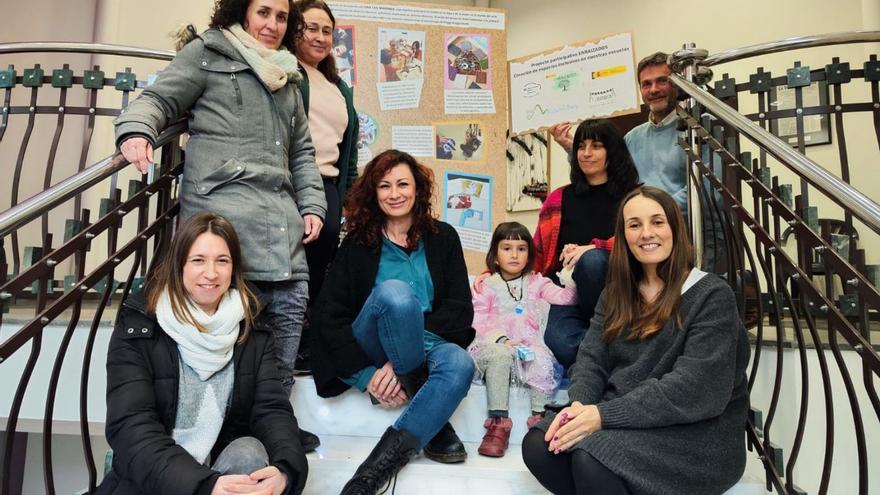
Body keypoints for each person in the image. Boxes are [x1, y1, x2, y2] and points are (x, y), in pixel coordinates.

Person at [114, 0, 325, 450]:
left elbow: (303, 153)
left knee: (281, 350)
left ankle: (270, 430)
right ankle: (222, 445)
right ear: (241, 13)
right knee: (220, 358)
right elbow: (157, 98)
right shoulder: (208, 53)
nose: (272, 24)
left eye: (282, 17)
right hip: (222, 238)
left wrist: (312, 205)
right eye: (263, 12)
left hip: (282, 238)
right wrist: (137, 131)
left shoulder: (288, 76)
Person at [522, 187, 750, 495]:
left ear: (674, 228)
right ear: (623, 235)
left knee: (594, 456)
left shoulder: (711, 295)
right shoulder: (615, 294)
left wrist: (602, 416)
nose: (646, 233)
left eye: (657, 222)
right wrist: (579, 407)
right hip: (627, 419)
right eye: (634, 225)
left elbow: (693, 389)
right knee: (541, 444)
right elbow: (591, 360)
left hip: (695, 436)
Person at [99, 213, 308, 495]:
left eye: (222, 261)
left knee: (249, 454)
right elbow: (131, 427)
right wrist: (203, 486)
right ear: (179, 265)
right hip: (153, 483)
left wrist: (286, 471)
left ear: (233, 268)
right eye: (198, 260)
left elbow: (272, 410)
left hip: (220, 476)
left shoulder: (252, 329)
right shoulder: (140, 327)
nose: (211, 274)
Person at [310, 149, 476, 494]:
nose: (394, 193)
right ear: (374, 193)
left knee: (460, 362)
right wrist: (368, 374)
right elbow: (329, 315)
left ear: (418, 189)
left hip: (428, 342)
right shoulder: (357, 243)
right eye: (385, 186)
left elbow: (460, 309)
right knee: (396, 296)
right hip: (372, 343)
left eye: (403, 184)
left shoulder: (444, 237)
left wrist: (404, 352)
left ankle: (369, 477)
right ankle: (434, 418)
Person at [529, 119, 640, 370]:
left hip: (617, 292)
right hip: (566, 290)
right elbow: (536, 251)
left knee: (591, 262)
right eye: (581, 146)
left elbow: (642, 242)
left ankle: (603, 345)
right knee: (561, 342)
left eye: (596, 146)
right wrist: (493, 273)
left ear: (612, 151)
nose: (586, 153)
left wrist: (595, 247)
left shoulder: (634, 197)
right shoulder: (559, 197)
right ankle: (607, 358)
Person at [469, 222, 576, 458]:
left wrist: (570, 272)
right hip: (494, 343)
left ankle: (541, 420)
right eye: (507, 248)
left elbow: (565, 297)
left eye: (521, 248)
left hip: (527, 343)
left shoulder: (537, 282)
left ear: (529, 254)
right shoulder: (486, 285)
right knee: (500, 355)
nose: (515, 254)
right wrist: (503, 340)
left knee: (541, 356)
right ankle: (498, 424)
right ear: (495, 255)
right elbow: (478, 322)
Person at [292, 0, 359, 304]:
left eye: (327, 31)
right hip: (291, 180)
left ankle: (306, 336)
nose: (320, 37)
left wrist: (350, 197)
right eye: (311, 29)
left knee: (319, 264)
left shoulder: (338, 86)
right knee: (290, 263)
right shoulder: (286, 73)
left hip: (328, 184)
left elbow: (348, 147)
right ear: (295, 30)